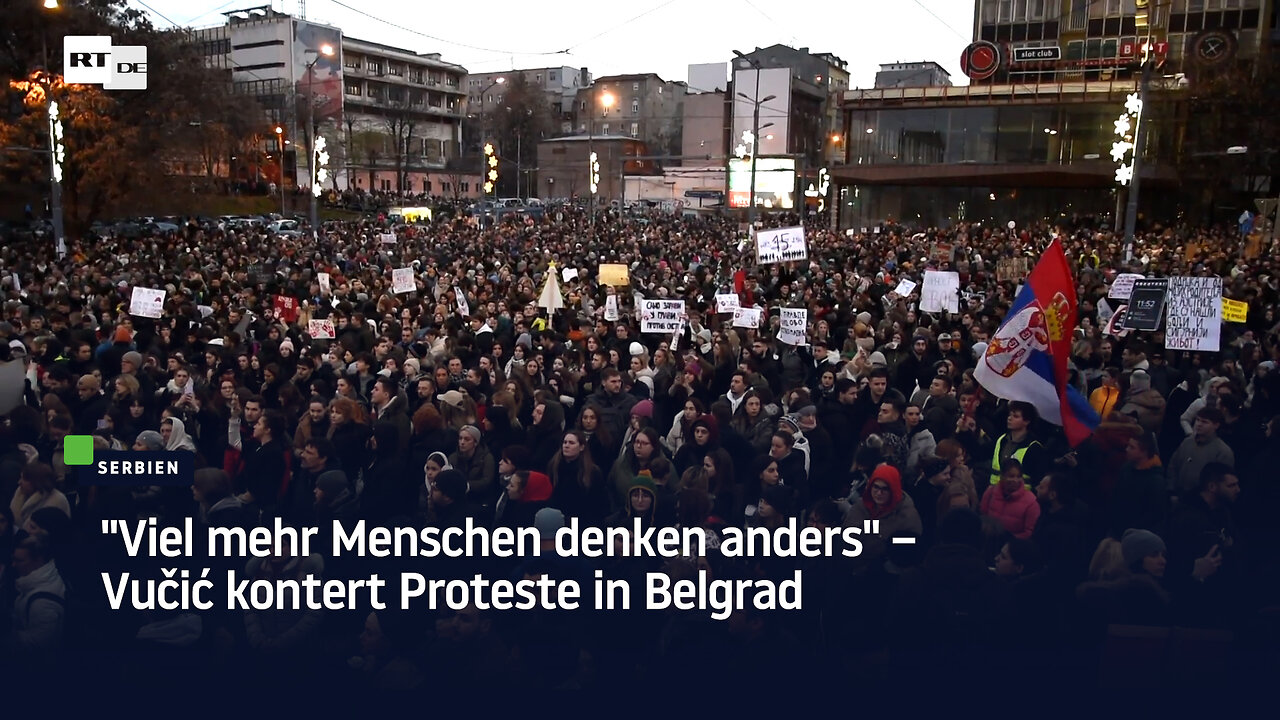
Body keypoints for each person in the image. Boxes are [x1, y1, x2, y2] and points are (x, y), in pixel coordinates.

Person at [1167, 407, 1234, 498]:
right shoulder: (1187, 443)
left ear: (1216, 425)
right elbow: (1173, 466)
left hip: (1203, 503)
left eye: (1204, 422)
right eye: (1197, 420)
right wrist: (1171, 489)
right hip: (1178, 496)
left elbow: (1222, 481)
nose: (1199, 424)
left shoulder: (1222, 451)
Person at [988, 401, 1046, 486]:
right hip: (996, 494)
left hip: (1021, 497)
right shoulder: (1002, 440)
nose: (1009, 418)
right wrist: (965, 432)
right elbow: (980, 453)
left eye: (1015, 416)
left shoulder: (1034, 448)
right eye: (1009, 415)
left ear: (1026, 421)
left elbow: (1037, 480)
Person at [980, 460, 1040, 540]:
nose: (1015, 480)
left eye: (1019, 476)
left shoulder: (1031, 503)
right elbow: (982, 516)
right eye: (1011, 476)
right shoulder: (990, 493)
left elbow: (1029, 532)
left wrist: (1009, 540)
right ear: (1002, 476)